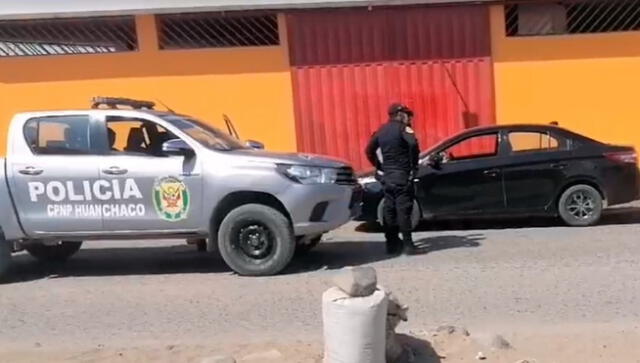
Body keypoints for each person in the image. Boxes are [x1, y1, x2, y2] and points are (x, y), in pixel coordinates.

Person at [365, 103, 420, 255]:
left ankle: (391, 244)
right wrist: (413, 166)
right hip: (401, 175)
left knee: (389, 209)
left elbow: (368, 150)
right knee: (403, 209)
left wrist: (379, 166)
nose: (409, 118)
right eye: (407, 115)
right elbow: (413, 144)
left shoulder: (381, 130)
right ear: (400, 114)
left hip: (387, 177)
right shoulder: (403, 129)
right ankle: (408, 246)